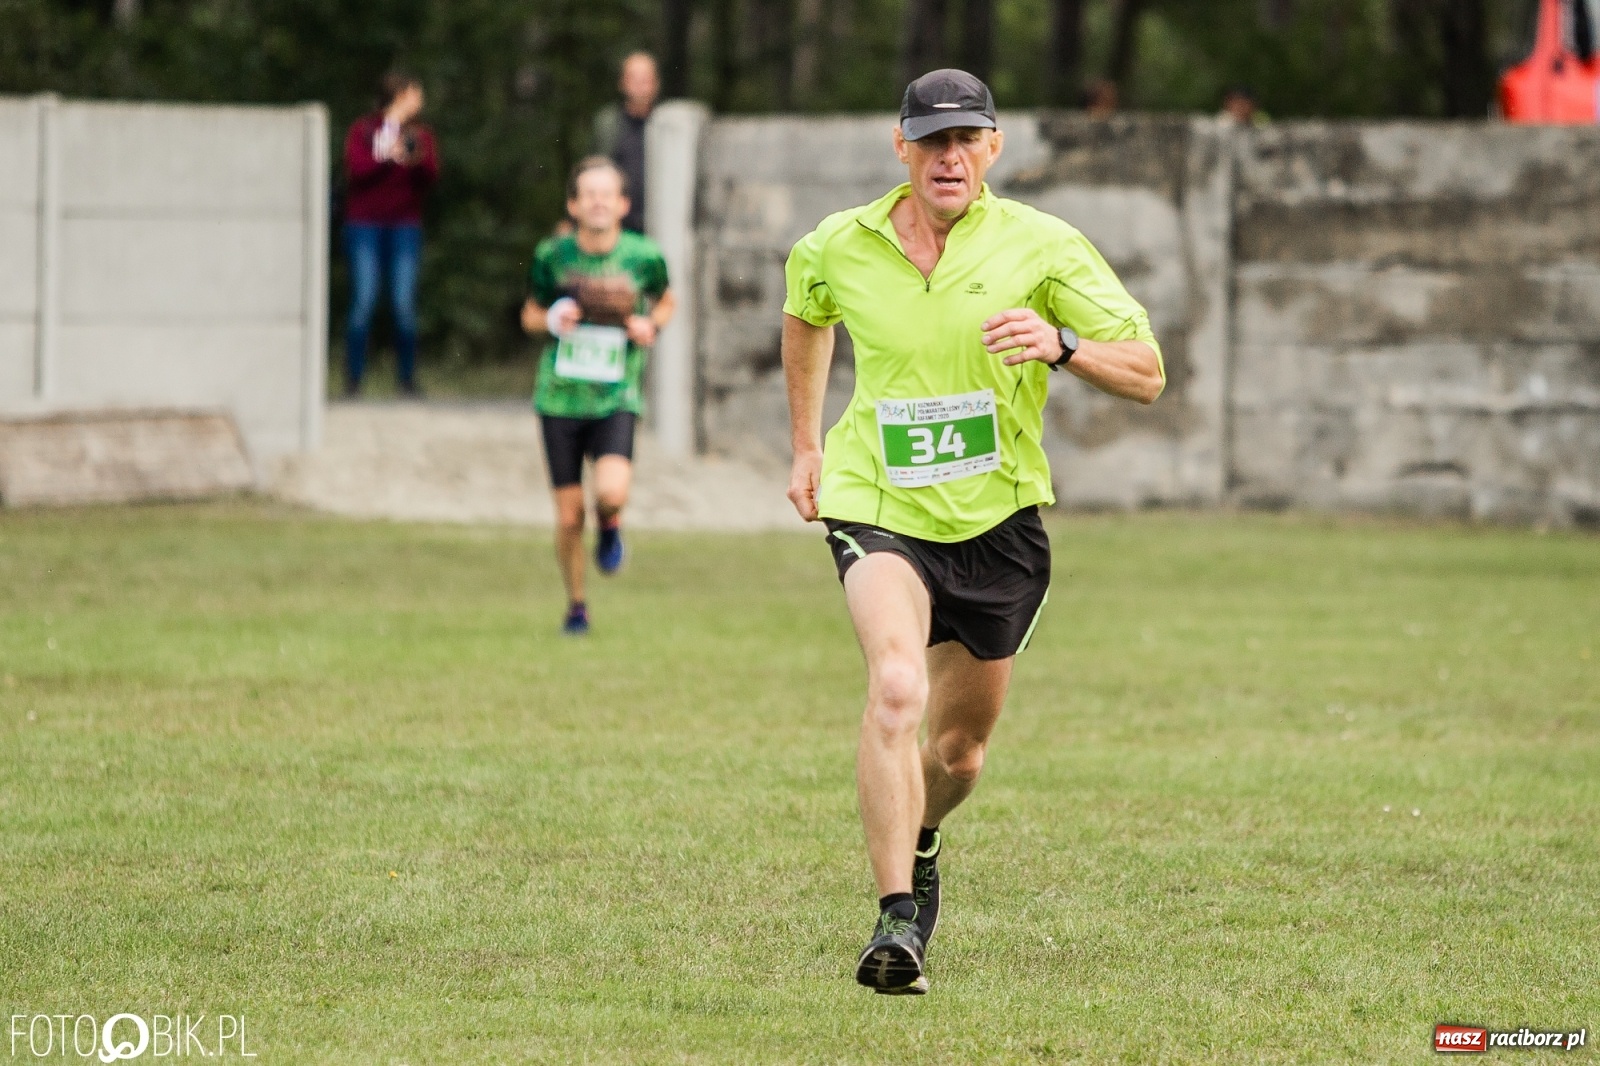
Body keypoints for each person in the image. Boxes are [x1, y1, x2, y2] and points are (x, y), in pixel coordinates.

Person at [781, 68, 1164, 995]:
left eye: (966, 139)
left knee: (959, 753)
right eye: (931, 140)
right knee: (896, 687)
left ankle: (922, 834)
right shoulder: (839, 243)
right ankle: (895, 920)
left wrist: (1062, 346)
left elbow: (1148, 371)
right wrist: (806, 445)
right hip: (877, 502)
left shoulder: (1043, 244)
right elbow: (806, 316)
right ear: (901, 147)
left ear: (993, 147)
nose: (948, 157)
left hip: (998, 525)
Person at [522, 157, 676, 636]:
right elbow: (529, 314)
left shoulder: (644, 256)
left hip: (616, 395)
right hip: (559, 398)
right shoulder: (552, 256)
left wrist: (650, 325)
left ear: (623, 204)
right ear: (573, 205)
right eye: (588, 194)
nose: (597, 202)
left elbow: (666, 300)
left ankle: (611, 525)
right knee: (570, 516)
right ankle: (577, 606)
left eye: (606, 194)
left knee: (610, 493)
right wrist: (552, 318)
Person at [342, 72, 439, 397]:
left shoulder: (420, 135)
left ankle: (407, 381)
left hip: (404, 226)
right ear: (400, 95)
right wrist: (386, 158)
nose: (420, 101)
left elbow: (431, 176)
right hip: (364, 225)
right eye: (416, 94)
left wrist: (413, 159)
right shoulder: (364, 130)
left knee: (403, 304)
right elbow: (356, 171)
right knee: (363, 300)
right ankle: (353, 381)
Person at [591, 52, 660, 234]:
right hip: (616, 226)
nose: (640, 86)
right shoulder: (607, 124)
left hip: (658, 223)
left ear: (656, 84)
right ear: (622, 83)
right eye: (633, 79)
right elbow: (592, 171)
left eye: (645, 79)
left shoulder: (668, 128)